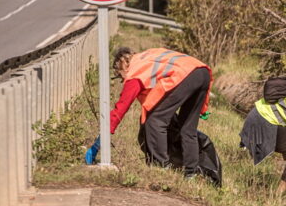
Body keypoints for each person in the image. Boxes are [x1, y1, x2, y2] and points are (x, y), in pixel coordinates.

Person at [87, 46, 212, 178]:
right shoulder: (147, 57)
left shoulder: (135, 73)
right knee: (187, 128)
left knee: (154, 121)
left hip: (185, 74)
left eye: (119, 75)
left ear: (123, 64)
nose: (122, 80)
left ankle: (161, 168)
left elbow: (120, 110)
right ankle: (191, 174)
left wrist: (100, 141)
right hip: (202, 72)